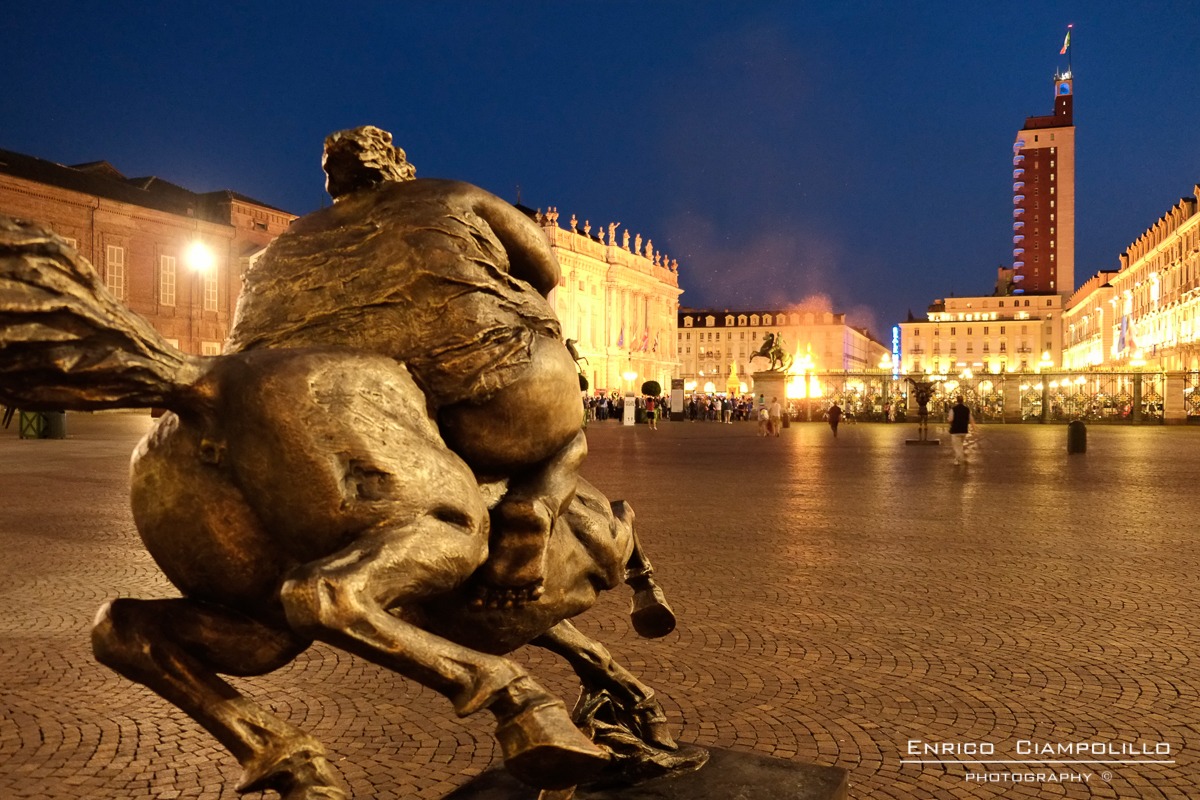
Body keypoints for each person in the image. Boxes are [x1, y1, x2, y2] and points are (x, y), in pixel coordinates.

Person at [948, 395, 974, 465]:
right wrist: (973, 426)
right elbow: (971, 418)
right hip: (964, 430)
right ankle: (957, 459)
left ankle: (959, 458)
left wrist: (949, 423)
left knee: (956, 446)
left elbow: (950, 419)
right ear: (963, 400)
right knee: (960, 445)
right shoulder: (967, 409)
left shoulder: (953, 409)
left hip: (955, 430)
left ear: (957, 400)